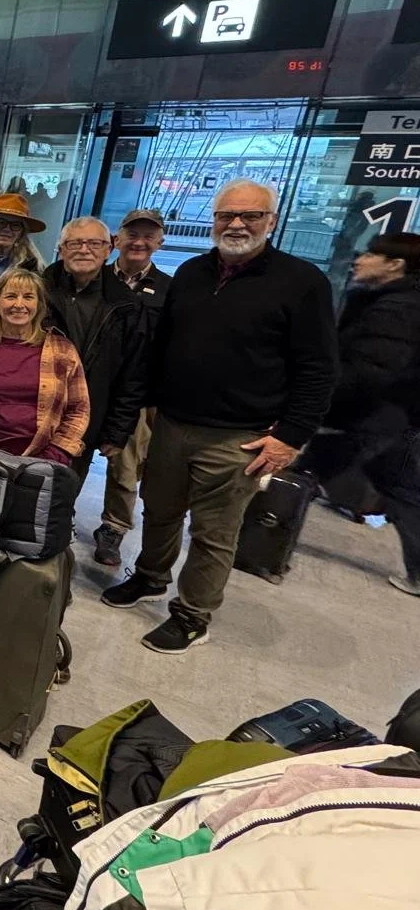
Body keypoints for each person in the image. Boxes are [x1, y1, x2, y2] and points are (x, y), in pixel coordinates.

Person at [102, 180, 337, 654]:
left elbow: (319, 368)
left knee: (214, 531)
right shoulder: (190, 273)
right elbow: (163, 345)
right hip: (172, 422)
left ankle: (192, 615)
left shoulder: (302, 283)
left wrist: (290, 436)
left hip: (239, 437)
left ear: (271, 221)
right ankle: (149, 577)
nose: (236, 224)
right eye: (227, 215)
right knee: (161, 511)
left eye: (249, 216)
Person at [298, 234, 420, 595]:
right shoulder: (393, 301)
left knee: (290, 465)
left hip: (374, 418)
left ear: (394, 265)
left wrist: (318, 404)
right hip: (390, 417)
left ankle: (258, 538)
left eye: (370, 253)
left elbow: (370, 371)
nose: (359, 259)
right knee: (403, 490)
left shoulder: (397, 308)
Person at [93, 208, 173, 568]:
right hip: (91, 386)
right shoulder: (94, 278)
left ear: (159, 242)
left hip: (137, 396)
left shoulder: (170, 291)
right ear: (117, 239)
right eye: (132, 234)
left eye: (148, 236)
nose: (139, 242)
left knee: (125, 467)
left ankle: (113, 528)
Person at [43, 216, 150, 479]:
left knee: (64, 493)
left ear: (109, 249)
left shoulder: (125, 306)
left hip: (87, 418)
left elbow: (133, 373)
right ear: (61, 248)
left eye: (93, 243)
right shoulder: (39, 290)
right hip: (35, 412)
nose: (83, 249)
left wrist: (117, 430)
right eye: (75, 243)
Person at [0, 267, 89, 465]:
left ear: (39, 305)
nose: (19, 304)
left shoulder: (63, 351)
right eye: (10, 296)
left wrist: (56, 453)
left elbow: (79, 409)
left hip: (45, 461)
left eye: (28, 297)